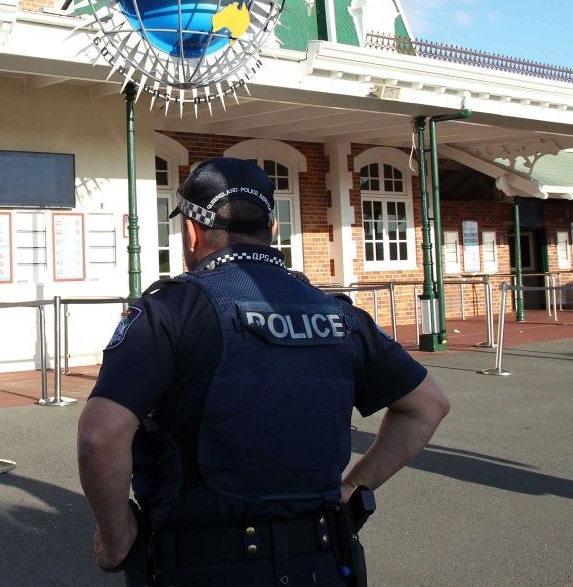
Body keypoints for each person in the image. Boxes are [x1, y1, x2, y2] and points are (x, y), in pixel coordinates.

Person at [77, 157, 450, 586]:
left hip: (200, 566)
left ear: (192, 232)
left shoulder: (168, 312)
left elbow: (100, 436)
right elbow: (428, 405)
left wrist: (116, 534)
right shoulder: (340, 315)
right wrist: (352, 488)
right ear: (272, 230)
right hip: (321, 563)